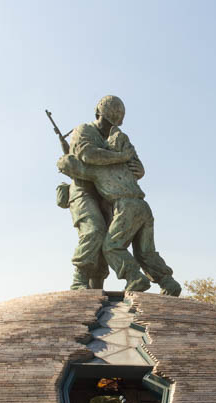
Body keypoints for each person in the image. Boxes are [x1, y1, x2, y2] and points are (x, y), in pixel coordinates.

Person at [58, 125, 181, 296]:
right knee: (145, 251)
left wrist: (64, 161)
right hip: (142, 207)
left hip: (126, 207)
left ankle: (135, 277)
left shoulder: (98, 168)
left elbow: (78, 163)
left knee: (111, 247)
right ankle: (168, 282)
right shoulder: (124, 167)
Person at [62, 95, 138, 289]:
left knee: (107, 242)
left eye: (112, 123)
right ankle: (79, 280)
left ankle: (96, 288)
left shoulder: (116, 137)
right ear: (98, 114)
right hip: (83, 191)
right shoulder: (84, 130)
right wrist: (120, 157)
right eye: (106, 121)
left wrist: (133, 165)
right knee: (94, 231)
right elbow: (87, 154)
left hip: (106, 195)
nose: (108, 126)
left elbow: (134, 169)